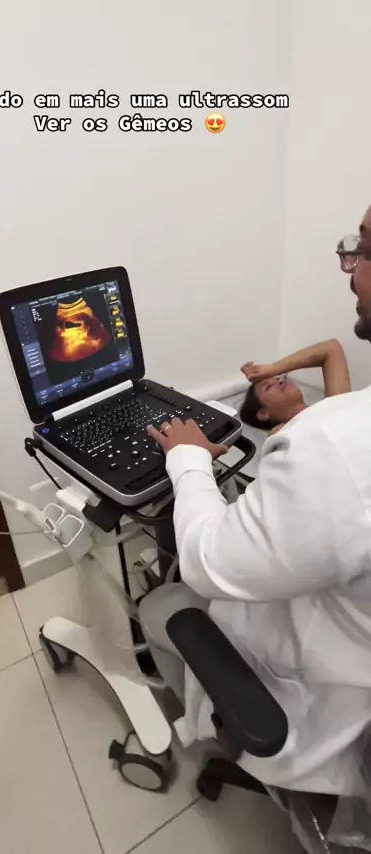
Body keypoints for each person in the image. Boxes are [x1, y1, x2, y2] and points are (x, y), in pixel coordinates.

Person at [139, 212, 371, 795]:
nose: (349, 271)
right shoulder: (323, 430)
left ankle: (210, 725)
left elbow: (205, 563)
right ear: (262, 417)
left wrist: (188, 460)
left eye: (364, 250)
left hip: (326, 707)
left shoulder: (330, 442)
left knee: (162, 602)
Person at [239, 338, 351, 433]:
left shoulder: (333, 408)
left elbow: (331, 348)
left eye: (277, 378)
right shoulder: (284, 435)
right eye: (268, 387)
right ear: (264, 413)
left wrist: (272, 368)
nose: (280, 381)